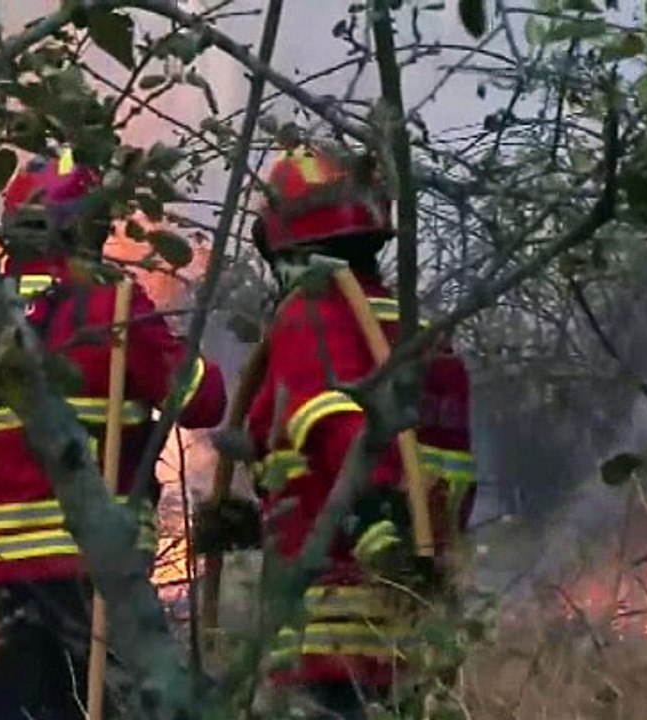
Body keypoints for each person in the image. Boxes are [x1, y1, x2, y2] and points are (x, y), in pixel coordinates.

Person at [0, 147, 228, 720]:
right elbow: (204, 401)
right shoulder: (114, 305)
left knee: (25, 705)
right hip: (96, 559)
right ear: (87, 229)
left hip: (7, 566)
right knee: (122, 706)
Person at [196, 142, 475, 719]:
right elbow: (433, 477)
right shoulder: (425, 338)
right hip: (417, 629)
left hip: (332, 633)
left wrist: (374, 521)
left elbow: (341, 433)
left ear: (281, 243)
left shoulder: (310, 320)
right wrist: (259, 521)